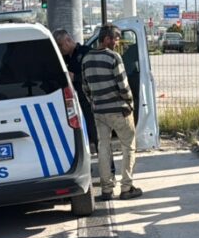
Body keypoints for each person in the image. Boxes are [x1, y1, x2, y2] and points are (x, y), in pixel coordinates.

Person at [81, 25, 142, 201]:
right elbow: (123, 85)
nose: (117, 42)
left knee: (103, 148)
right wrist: (129, 102)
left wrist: (95, 103)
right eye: (115, 39)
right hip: (119, 110)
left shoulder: (86, 59)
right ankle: (126, 188)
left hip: (99, 111)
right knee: (128, 146)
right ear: (107, 39)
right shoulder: (113, 57)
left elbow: (86, 87)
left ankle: (106, 190)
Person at [53, 28, 99, 151]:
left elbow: (95, 76)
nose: (60, 49)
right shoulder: (66, 58)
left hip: (89, 100)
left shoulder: (86, 53)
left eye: (60, 46)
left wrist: (76, 77)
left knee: (95, 132)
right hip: (75, 101)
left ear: (68, 41)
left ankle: (106, 160)